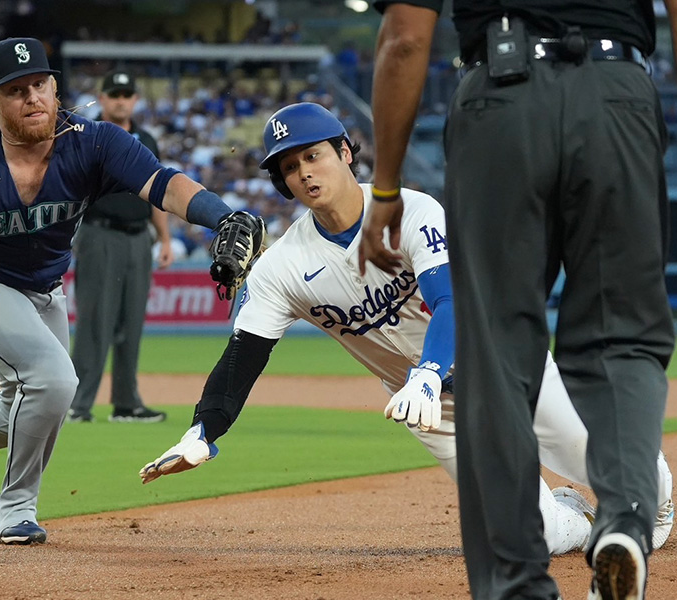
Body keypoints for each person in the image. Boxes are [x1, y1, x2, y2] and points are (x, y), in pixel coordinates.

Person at [137, 102, 675, 558]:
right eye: (289, 166)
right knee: (520, 536)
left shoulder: (411, 210)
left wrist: (429, 370)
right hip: (430, 407)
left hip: (504, 362)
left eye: (313, 154)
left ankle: (654, 488)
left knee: (614, 470)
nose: (304, 172)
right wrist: (203, 433)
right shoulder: (281, 268)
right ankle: (573, 516)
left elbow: (451, 299)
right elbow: (242, 359)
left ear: (346, 153)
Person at [359, 3, 677, 599]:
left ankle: (515, 585)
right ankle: (627, 521)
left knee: (497, 353)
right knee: (625, 340)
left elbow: (404, 37)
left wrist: (384, 189)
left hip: (501, 102)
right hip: (619, 98)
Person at [0, 37, 249, 545]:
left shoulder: (93, 141)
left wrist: (224, 216)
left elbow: (163, 183)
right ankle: (15, 508)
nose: (32, 96)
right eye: (16, 90)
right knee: (57, 380)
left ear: (55, 87)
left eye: (39, 83)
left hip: (42, 289)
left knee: (36, 401)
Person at [68, 69, 172, 424]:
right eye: (114, 94)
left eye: (126, 95)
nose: (121, 100)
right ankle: (77, 404)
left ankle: (126, 404)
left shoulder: (146, 139)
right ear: (103, 98)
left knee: (131, 323)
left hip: (138, 237)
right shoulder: (86, 135)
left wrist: (166, 239)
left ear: (135, 100)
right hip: (100, 234)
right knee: (95, 322)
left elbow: (158, 194)